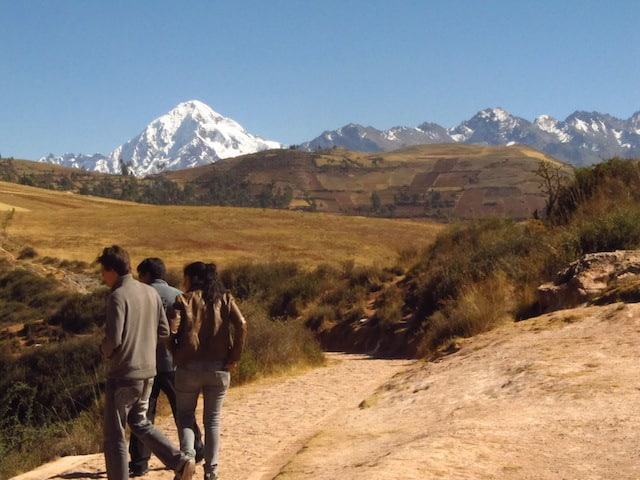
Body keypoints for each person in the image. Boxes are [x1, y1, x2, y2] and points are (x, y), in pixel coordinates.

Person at [97, 245, 196, 480]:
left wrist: (105, 349)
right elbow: (164, 331)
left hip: (124, 372)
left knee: (115, 435)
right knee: (140, 421)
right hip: (149, 370)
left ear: (111, 270)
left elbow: (114, 338)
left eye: (103, 270)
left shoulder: (118, 295)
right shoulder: (149, 292)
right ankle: (181, 462)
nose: (102, 276)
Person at [169, 262, 248, 480]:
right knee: (212, 420)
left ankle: (187, 459)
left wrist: (176, 352)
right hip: (218, 368)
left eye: (184, 277)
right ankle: (211, 472)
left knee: (185, 416)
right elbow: (242, 325)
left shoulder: (183, 299)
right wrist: (234, 357)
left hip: (187, 368)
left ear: (193, 278)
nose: (182, 282)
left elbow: (168, 332)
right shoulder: (225, 299)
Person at [129, 258, 204, 477]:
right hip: (173, 363)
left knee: (142, 414)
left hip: (146, 364)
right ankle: (196, 451)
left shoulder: (139, 297)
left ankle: (140, 463)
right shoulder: (177, 295)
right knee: (182, 411)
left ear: (146, 275)